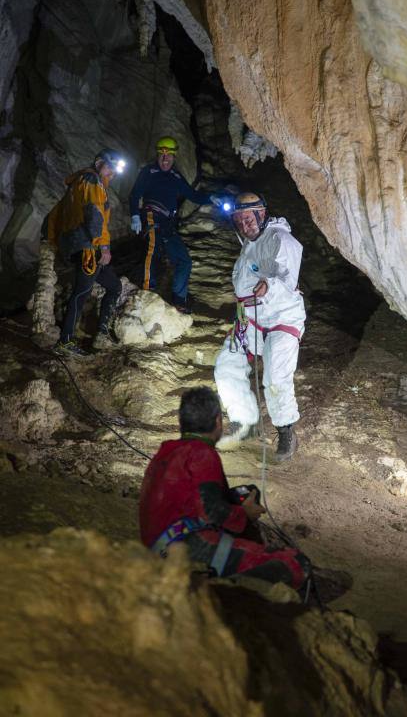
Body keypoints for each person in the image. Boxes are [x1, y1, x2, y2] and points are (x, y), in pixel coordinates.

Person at [139, 386, 308, 589]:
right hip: (186, 547)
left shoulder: (166, 452)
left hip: (158, 543)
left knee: (242, 493)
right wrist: (244, 513)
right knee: (295, 563)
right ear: (218, 421)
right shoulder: (201, 453)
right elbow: (212, 511)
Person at [214, 192, 306, 461]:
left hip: (282, 318)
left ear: (261, 215)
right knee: (226, 365)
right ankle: (245, 421)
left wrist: (269, 285)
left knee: (275, 376)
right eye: (239, 220)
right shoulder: (248, 244)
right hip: (251, 320)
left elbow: (287, 275)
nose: (244, 224)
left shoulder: (281, 239)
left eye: (248, 218)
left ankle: (286, 430)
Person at [44, 148, 126, 356]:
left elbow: (55, 215)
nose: (111, 174)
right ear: (98, 163)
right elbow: (95, 215)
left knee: (114, 286)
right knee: (80, 293)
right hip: (89, 247)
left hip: (78, 245)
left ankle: (101, 334)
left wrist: (56, 241)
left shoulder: (77, 184)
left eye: (114, 171)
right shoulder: (91, 180)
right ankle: (65, 341)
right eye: (109, 168)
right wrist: (104, 247)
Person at [129, 136, 221, 313]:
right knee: (153, 250)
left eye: (168, 155)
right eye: (162, 155)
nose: (165, 159)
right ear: (157, 155)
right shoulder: (148, 172)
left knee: (184, 260)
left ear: (174, 156)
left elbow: (192, 195)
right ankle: (148, 290)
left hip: (169, 223)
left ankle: (179, 299)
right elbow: (134, 195)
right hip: (151, 216)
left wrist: (211, 197)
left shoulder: (175, 176)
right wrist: (134, 215)